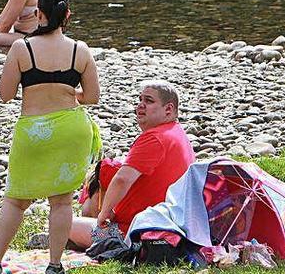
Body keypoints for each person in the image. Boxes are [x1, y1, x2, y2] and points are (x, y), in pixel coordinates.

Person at [0, 0, 101, 274]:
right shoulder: (79, 50)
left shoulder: (22, 48)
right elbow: (93, 96)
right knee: (61, 201)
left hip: (34, 130)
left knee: (16, 199)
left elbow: (5, 94)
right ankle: (55, 264)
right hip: (71, 129)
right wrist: (69, 94)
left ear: (39, 14)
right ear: (67, 15)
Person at [68, 80, 195, 249]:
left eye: (148, 101)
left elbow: (122, 179)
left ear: (169, 109)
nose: (140, 105)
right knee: (106, 170)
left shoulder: (154, 138)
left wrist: (104, 215)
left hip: (134, 232)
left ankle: (95, 237)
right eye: (140, 100)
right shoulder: (176, 133)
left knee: (62, 223)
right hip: (168, 225)